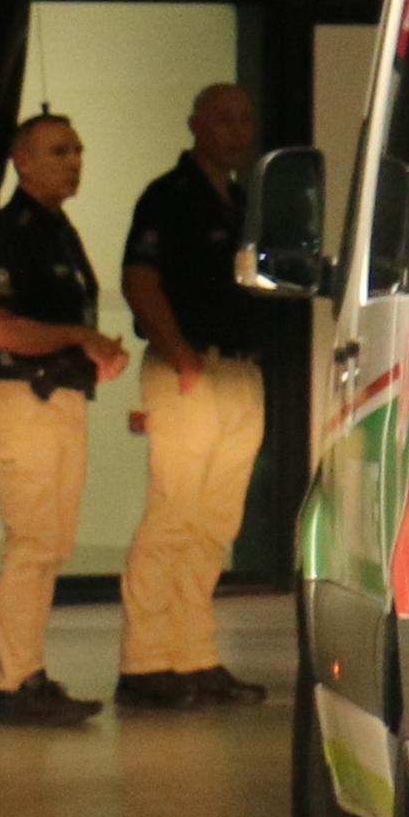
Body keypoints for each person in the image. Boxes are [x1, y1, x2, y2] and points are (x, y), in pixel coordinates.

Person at [116, 81, 279, 709]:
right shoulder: (169, 196)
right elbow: (140, 280)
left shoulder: (240, 201)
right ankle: (144, 663)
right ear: (195, 126)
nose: (236, 131)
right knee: (172, 513)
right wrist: (179, 351)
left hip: (239, 371)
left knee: (216, 521)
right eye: (224, 120)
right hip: (187, 367)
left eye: (245, 120)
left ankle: (193, 655)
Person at [0, 111, 125, 727]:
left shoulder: (61, 232)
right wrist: (78, 335)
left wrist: (95, 351)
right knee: (32, 545)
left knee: (50, 545)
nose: (74, 161)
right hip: (18, 400)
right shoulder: (10, 233)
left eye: (79, 150)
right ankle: (13, 681)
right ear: (22, 161)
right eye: (59, 150)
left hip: (57, 400)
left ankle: (27, 672)